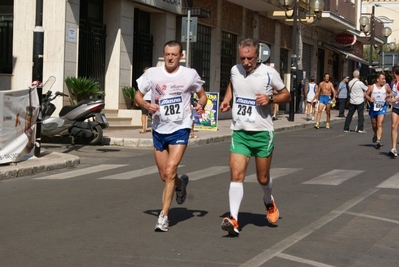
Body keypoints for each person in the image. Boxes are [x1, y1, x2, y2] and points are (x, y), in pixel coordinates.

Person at [219, 38, 290, 236]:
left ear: (257, 56)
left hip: (262, 133)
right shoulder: (235, 70)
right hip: (240, 132)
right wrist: (227, 99)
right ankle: (233, 219)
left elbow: (287, 95)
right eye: (242, 58)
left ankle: (268, 200)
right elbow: (233, 84)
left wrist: (270, 98)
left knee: (262, 178)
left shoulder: (269, 73)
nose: (246, 62)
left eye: (249, 58)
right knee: (236, 175)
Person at [135, 40, 207, 232]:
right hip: (159, 128)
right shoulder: (152, 74)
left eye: (174, 54)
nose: (170, 57)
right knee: (164, 175)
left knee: (171, 169)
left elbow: (203, 95)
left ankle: (163, 217)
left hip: (181, 127)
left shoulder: (189, 74)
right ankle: (180, 184)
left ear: (180, 56)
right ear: (163, 54)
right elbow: (137, 96)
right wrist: (146, 105)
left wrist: (200, 104)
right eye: (167, 54)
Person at [365, 73, 392, 149]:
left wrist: (388, 96)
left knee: (379, 124)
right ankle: (375, 134)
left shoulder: (386, 87)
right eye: (382, 78)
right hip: (373, 108)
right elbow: (366, 95)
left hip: (382, 107)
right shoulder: (372, 87)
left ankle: (378, 141)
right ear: (377, 79)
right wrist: (370, 99)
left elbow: (390, 92)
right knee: (374, 125)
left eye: (384, 79)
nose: (384, 80)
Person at [389, 66, 399, 157]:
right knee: (393, 126)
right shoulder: (394, 83)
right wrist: (389, 96)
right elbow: (393, 93)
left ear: (394, 73)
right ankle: (394, 148)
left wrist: (394, 99)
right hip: (396, 107)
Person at [138, 67, 150, 134]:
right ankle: (143, 129)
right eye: (145, 72)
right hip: (144, 99)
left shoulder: (153, 79)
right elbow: (139, 90)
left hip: (152, 98)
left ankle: (154, 129)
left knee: (154, 115)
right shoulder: (141, 80)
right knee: (144, 114)